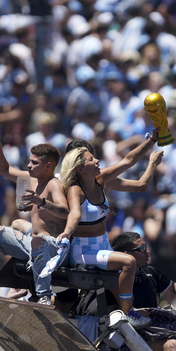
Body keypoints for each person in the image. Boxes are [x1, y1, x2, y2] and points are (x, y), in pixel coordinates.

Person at [0, 123, 69, 305]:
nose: (29, 165)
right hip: (33, 241)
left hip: (53, 248)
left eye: (34, 163)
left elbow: (65, 211)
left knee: (37, 241)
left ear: (48, 166)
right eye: (29, 161)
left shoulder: (54, 184)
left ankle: (44, 296)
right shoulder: (30, 178)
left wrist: (41, 202)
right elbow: (4, 170)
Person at [57, 130, 158, 316]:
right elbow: (75, 214)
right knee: (129, 262)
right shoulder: (73, 189)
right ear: (78, 167)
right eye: (90, 159)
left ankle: (126, 316)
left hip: (103, 245)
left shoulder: (102, 179)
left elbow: (130, 165)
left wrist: (152, 147)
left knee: (126, 287)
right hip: (84, 250)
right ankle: (129, 315)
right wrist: (67, 232)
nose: (97, 161)